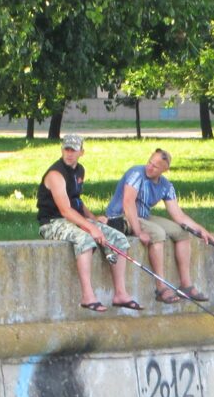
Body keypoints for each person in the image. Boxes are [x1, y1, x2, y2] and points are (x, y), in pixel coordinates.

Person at [37, 134, 142, 312]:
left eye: (73, 150)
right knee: (86, 240)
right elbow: (65, 210)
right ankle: (87, 296)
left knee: (118, 238)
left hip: (75, 218)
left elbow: (76, 200)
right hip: (53, 222)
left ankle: (120, 294)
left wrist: (93, 219)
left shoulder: (80, 171)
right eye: (66, 149)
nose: (69, 153)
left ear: (81, 152)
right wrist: (91, 227)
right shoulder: (56, 174)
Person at [105, 148, 214, 304]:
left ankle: (186, 285)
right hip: (123, 215)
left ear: (165, 169)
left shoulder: (166, 185)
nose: (150, 167)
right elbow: (128, 203)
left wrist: (201, 230)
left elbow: (178, 215)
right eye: (150, 162)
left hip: (143, 215)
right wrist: (138, 232)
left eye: (156, 166)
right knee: (157, 233)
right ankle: (161, 287)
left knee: (181, 232)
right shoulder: (136, 174)